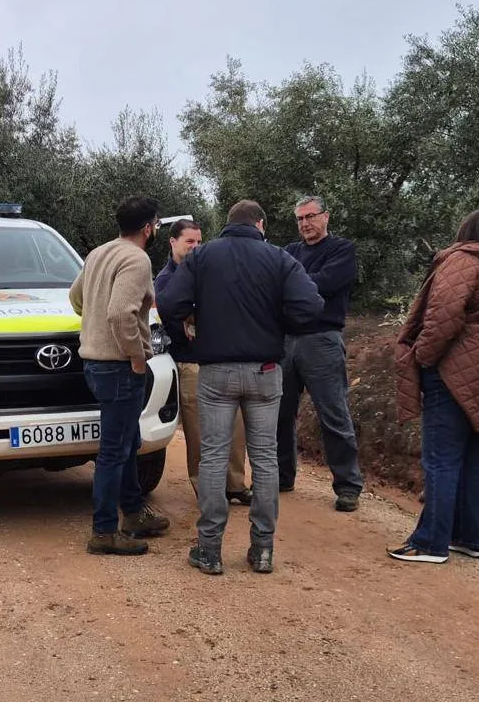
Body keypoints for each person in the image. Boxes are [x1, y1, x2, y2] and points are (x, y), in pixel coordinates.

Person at [158, 200, 324, 576]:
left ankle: (210, 550)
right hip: (266, 370)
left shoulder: (204, 257)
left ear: (227, 225)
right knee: (264, 458)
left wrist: (195, 316)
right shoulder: (279, 258)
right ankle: (262, 549)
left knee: (214, 457)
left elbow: (168, 302)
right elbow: (311, 305)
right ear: (260, 225)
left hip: (215, 371)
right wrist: (277, 320)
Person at [389, 209, 479, 564]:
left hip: (454, 374)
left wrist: (423, 357)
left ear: (467, 231)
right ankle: (474, 538)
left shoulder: (463, 260)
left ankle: (431, 543)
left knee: (442, 458)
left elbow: (442, 318)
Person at [68, 196, 173, 555]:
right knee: (114, 451)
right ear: (147, 228)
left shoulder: (99, 253)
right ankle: (103, 532)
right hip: (120, 367)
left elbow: (75, 297)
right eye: (156, 225)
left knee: (128, 443)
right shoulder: (137, 259)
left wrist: (92, 321)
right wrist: (137, 358)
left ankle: (133, 513)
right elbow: (119, 314)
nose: (156, 230)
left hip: (94, 364)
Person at [153, 219, 250, 504]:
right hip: (188, 363)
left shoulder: (208, 271)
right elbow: (172, 311)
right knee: (198, 431)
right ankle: (206, 489)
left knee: (235, 424)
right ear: (173, 242)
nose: (196, 247)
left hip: (219, 359)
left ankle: (235, 484)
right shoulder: (165, 279)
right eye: (189, 242)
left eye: (199, 241)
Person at [278, 195, 365, 512]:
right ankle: (282, 476)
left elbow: (326, 283)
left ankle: (348, 486)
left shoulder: (341, 250)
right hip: (286, 342)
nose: (305, 224)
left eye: (310, 216)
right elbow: (280, 285)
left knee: (334, 414)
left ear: (326, 217)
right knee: (280, 414)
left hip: (323, 340)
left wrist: (293, 284)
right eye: (300, 219)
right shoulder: (290, 251)